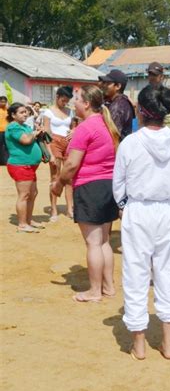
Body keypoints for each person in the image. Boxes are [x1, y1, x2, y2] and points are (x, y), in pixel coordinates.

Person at [113, 84, 170, 361]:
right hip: (169, 211)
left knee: (136, 274)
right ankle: (168, 345)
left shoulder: (130, 143)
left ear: (141, 111)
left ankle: (139, 345)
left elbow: (118, 184)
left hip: (139, 210)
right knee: (166, 273)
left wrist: (124, 207)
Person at [51, 85, 120, 302]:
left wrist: (59, 183)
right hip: (108, 187)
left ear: (87, 103)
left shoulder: (85, 128)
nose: (74, 103)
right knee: (104, 241)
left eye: (77, 99)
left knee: (93, 243)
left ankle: (94, 290)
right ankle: (108, 287)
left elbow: (71, 164)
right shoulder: (105, 123)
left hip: (90, 187)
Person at [5, 102, 44, 233]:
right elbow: (26, 140)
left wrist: (37, 132)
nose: (25, 114)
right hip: (20, 165)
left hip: (29, 166)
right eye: (21, 112)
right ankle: (22, 224)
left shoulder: (25, 126)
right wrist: (35, 132)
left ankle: (28, 219)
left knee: (33, 193)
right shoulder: (13, 127)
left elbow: (31, 138)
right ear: (13, 115)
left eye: (26, 112)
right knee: (24, 195)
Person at [43, 86, 75, 221]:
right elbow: (46, 131)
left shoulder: (70, 111)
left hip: (68, 143)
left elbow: (73, 127)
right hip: (54, 141)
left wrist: (73, 131)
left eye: (66, 101)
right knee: (55, 176)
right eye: (63, 100)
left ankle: (70, 209)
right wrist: (49, 150)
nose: (64, 103)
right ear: (57, 97)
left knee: (69, 177)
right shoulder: (48, 112)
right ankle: (54, 210)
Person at [146, 61, 170, 130]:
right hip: (153, 134)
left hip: (169, 133)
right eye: (150, 74)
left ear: (162, 77)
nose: (152, 77)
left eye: (155, 75)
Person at [99, 69, 135, 141]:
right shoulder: (112, 101)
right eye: (104, 82)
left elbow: (110, 133)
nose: (104, 85)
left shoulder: (119, 106)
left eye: (108, 83)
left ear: (118, 86)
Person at [0, 95, 9, 165]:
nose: (3, 103)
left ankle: (6, 160)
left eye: (4, 102)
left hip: (6, 130)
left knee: (7, 145)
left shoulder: (8, 110)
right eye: (1, 102)